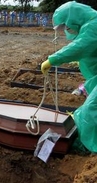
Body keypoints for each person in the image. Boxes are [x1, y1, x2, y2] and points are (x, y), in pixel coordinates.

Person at [40, 1, 97, 153]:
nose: (67, 30)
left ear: (74, 19)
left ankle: (88, 147)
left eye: (66, 26)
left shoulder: (94, 26)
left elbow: (81, 46)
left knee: (90, 111)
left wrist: (52, 60)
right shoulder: (89, 26)